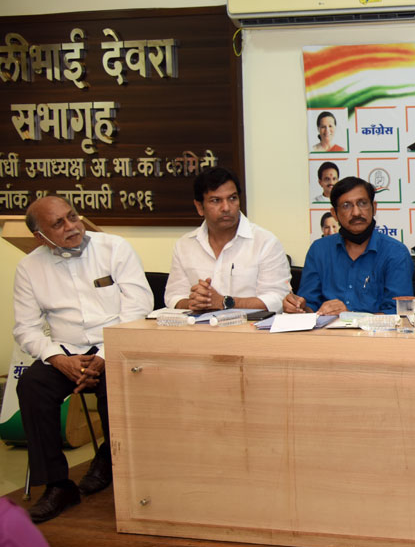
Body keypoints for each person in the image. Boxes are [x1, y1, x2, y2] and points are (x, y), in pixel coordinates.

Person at [13, 196, 152, 523]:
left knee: (118, 383)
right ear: (40, 237)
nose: (72, 226)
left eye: (72, 216)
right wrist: (57, 359)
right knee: (32, 386)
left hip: (115, 346)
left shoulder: (113, 248)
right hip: (66, 354)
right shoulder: (29, 268)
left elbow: (139, 306)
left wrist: (103, 355)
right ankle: (58, 485)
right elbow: (26, 328)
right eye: (58, 224)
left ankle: (108, 459)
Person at [164, 168, 291, 313]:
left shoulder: (265, 242)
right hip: (199, 326)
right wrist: (195, 302)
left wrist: (225, 302)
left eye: (232, 198)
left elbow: (277, 299)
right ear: (199, 207)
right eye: (216, 200)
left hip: (250, 326)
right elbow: (174, 297)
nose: (226, 207)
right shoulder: (185, 245)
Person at [284, 176, 413, 315]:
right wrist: (299, 308)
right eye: (346, 205)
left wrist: (350, 316)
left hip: (376, 330)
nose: (356, 212)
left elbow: (399, 314)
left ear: (374, 208)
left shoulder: (395, 252)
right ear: (334, 214)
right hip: (325, 329)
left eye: (362, 203)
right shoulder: (319, 250)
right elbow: (310, 305)